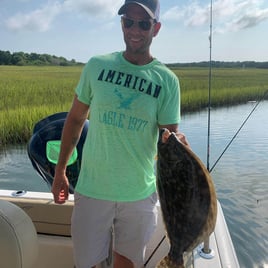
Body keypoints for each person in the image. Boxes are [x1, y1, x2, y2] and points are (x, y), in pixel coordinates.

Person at [52, 0, 189, 267]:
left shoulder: (167, 80)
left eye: (143, 23)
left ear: (156, 28)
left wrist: (178, 142)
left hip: (139, 194)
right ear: (121, 23)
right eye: (129, 21)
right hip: (92, 190)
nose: (135, 29)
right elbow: (76, 118)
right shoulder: (96, 66)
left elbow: (169, 142)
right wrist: (60, 172)